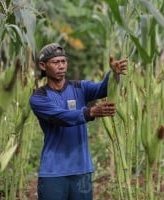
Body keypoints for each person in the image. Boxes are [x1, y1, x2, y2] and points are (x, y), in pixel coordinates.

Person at [29, 43, 128, 200]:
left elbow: (103, 89)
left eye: (63, 61)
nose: (61, 66)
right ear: (43, 65)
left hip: (82, 169)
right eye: (55, 62)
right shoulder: (39, 98)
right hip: (53, 171)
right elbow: (61, 117)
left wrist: (113, 74)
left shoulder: (79, 87)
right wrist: (90, 112)